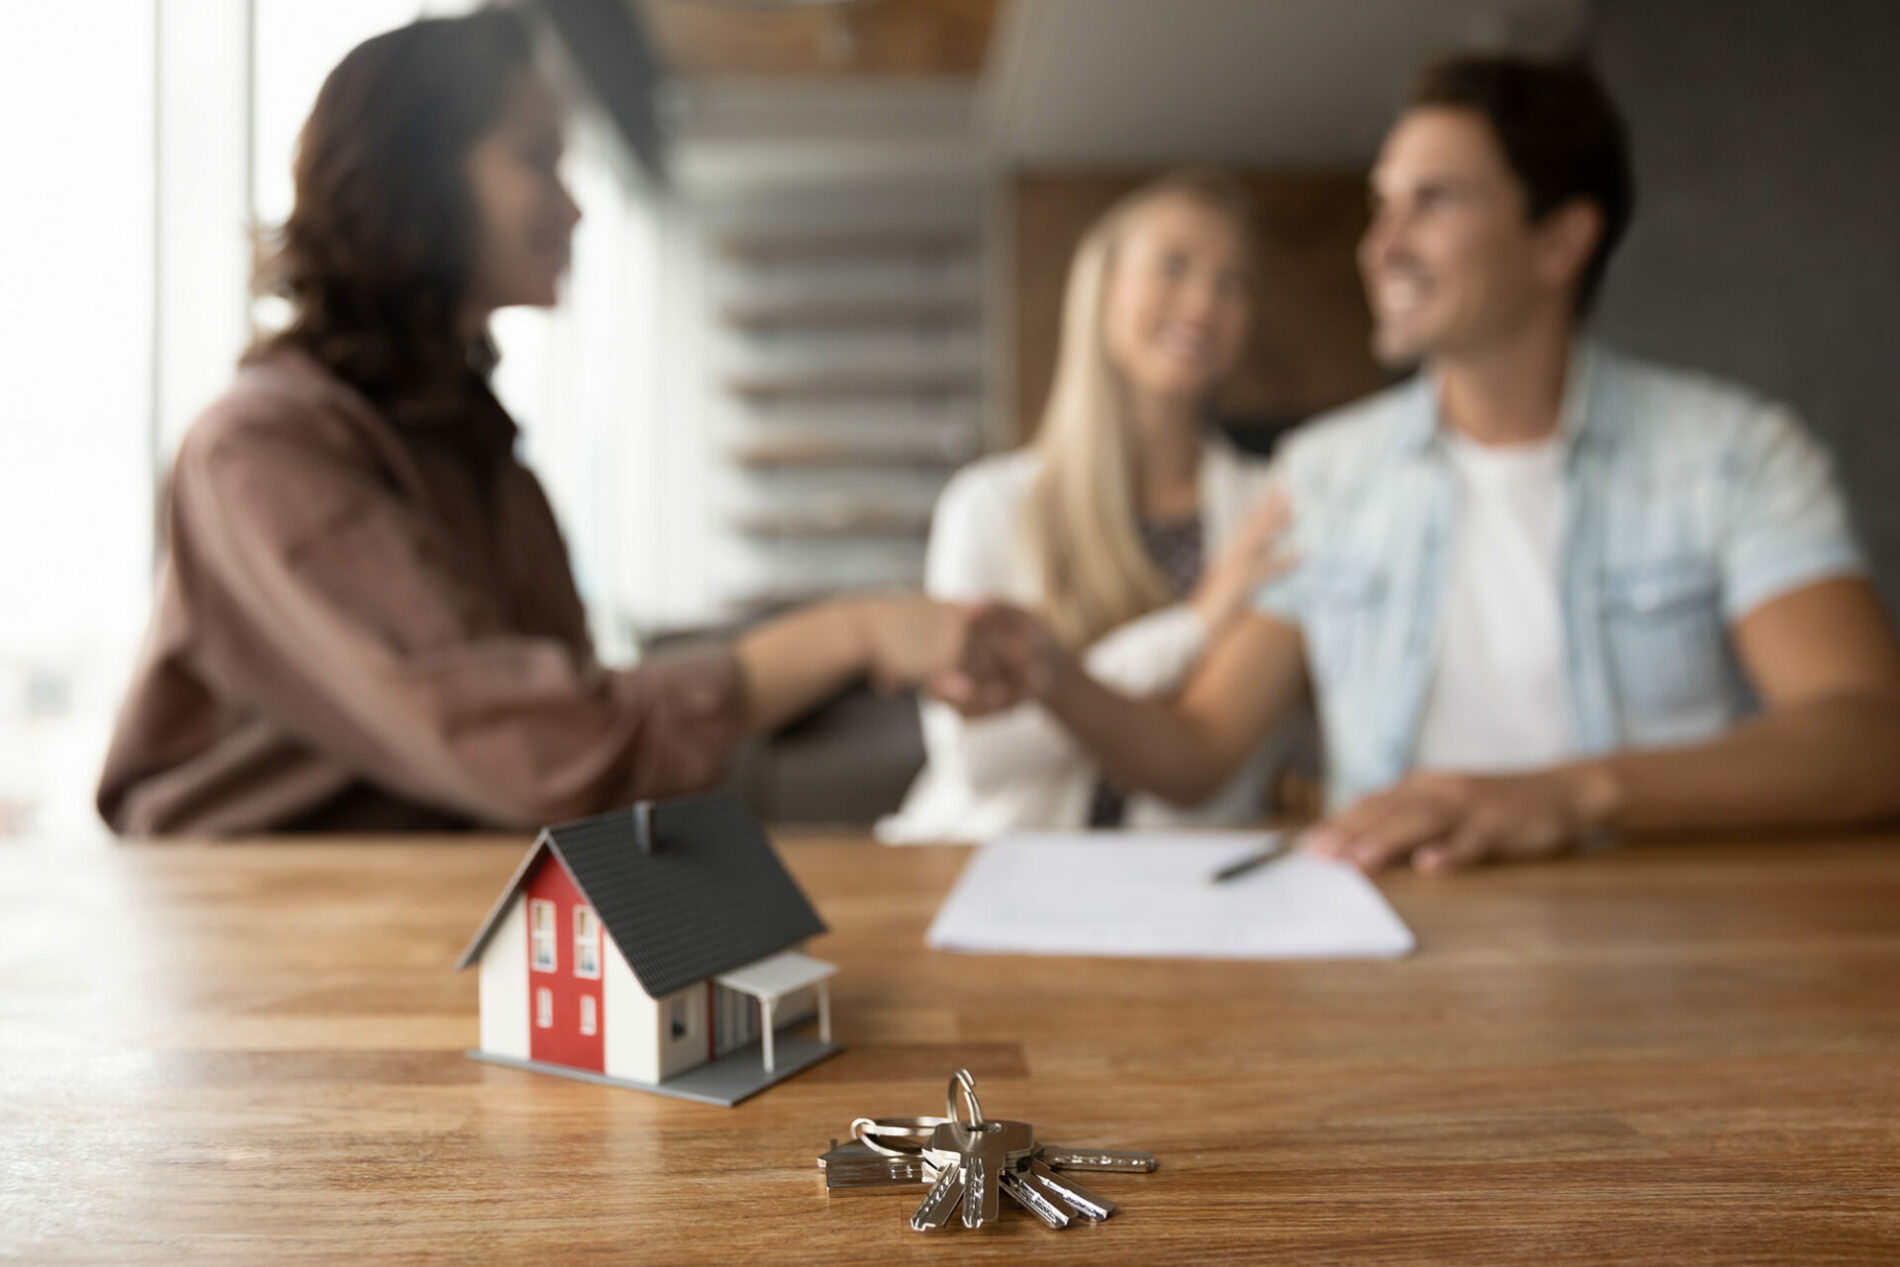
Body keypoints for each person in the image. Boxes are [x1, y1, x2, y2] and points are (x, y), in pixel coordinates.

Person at [959, 53, 1900, 872]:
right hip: (1399, 945)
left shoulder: (1732, 456)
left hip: (1665, 956)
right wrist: (1051, 672)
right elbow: (1201, 746)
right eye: (1382, 205)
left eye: (1432, 201)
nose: (1380, 245)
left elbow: (1868, 737)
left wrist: (1568, 796)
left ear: (1560, 240)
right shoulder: (1328, 472)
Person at [96, 12, 997, 836]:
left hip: (403, 912)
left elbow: (565, 697)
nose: (572, 206)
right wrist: (849, 632)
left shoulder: (478, 450)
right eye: (535, 158)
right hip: (249, 935)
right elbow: (544, 747)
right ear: (415, 174)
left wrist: (864, 630)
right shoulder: (264, 449)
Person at [877, 171, 1292, 842]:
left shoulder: (1269, 510)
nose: (1203, 303)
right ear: (1104, 285)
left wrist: (1055, 685)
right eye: (1173, 266)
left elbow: (1211, 754)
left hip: (1188, 888)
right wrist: (1195, 626)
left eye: (1233, 282)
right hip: (992, 868)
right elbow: (979, 754)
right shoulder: (986, 504)